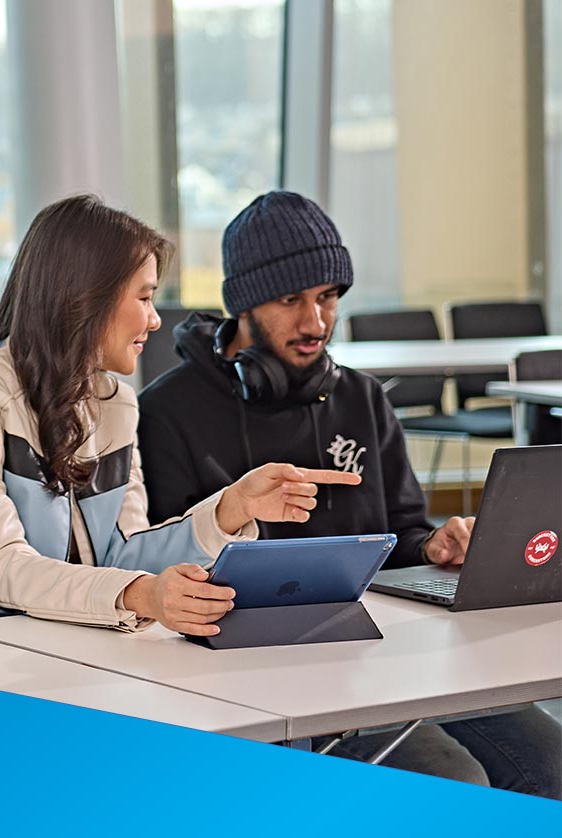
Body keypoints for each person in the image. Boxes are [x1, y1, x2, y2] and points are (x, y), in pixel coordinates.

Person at [137, 190, 561, 795]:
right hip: (257, 669)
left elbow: (405, 531)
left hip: (385, 652)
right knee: (455, 779)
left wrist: (436, 546)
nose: (317, 323)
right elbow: (160, 563)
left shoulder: (361, 398)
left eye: (329, 298)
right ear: (245, 304)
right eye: (292, 301)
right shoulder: (167, 413)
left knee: (551, 762)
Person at [0, 194, 356, 637]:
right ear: (85, 298)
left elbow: (123, 553)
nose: (155, 321)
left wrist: (231, 509)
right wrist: (138, 593)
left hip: (63, 647)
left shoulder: (115, 402)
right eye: (144, 297)